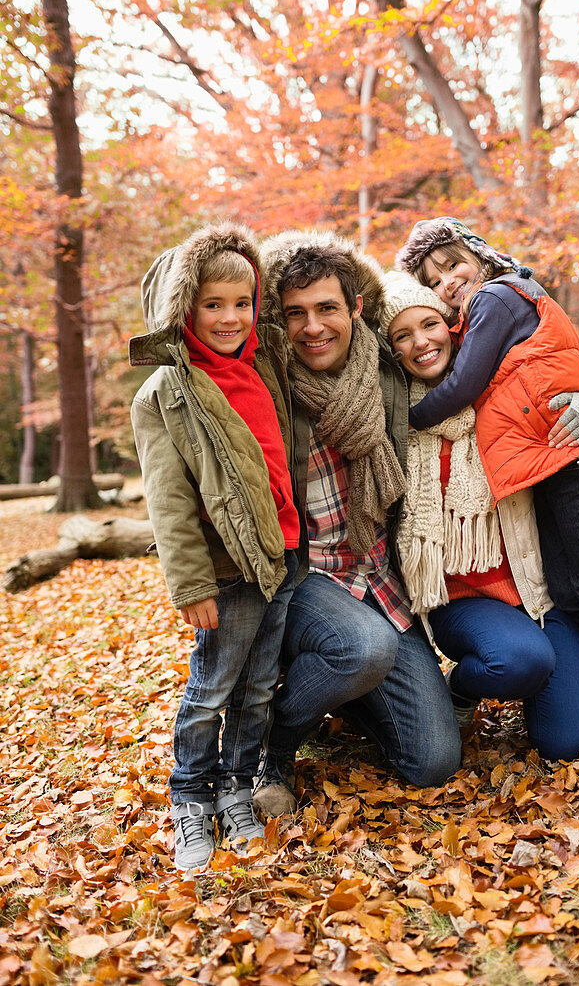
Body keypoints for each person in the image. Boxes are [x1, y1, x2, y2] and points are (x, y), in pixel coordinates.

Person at [396, 216, 579, 748]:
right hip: (477, 588)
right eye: (432, 280)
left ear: (478, 254)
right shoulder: (476, 333)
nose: (448, 282)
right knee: (578, 586)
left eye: (453, 264)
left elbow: (490, 384)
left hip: (567, 482)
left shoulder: (496, 300)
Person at [250, 229, 463, 816]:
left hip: (379, 576)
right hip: (304, 581)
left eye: (326, 309)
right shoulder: (268, 387)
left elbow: (471, 340)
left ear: (356, 309)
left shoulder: (387, 374)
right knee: (365, 648)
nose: (313, 327)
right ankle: (276, 742)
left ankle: (339, 690)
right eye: (296, 314)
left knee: (433, 763)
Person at [379, 269, 579, 759]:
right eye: (402, 334)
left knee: (573, 743)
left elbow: (568, 392)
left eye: (430, 324)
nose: (421, 342)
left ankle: (550, 675)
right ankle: (462, 689)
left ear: (452, 325)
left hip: (542, 589)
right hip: (462, 598)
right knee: (518, 661)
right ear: (390, 349)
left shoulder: (499, 391)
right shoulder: (393, 420)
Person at [129, 222, 300, 870]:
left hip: (279, 555)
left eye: (241, 303)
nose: (230, 317)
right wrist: (191, 584)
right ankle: (190, 801)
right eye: (212, 304)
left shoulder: (263, 365)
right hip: (225, 571)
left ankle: (235, 788)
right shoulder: (167, 393)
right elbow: (168, 501)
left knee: (257, 690)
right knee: (211, 691)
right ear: (184, 308)